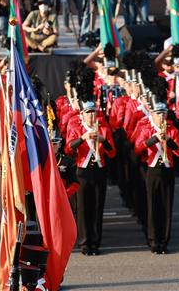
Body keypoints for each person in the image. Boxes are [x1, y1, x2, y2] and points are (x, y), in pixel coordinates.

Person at [65, 100, 115, 256]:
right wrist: (82, 138)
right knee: (83, 208)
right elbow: (68, 148)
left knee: (97, 206)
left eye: (93, 112)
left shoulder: (104, 128)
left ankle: (96, 241)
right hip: (82, 172)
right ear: (82, 114)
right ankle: (85, 242)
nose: (91, 115)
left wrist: (103, 140)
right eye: (88, 112)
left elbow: (112, 152)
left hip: (99, 171)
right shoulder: (75, 127)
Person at [135, 99, 179, 254]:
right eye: (157, 113)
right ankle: (154, 240)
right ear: (152, 115)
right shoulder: (147, 130)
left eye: (162, 113)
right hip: (153, 170)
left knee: (166, 206)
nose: (160, 116)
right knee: (153, 205)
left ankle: (164, 240)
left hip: (167, 170)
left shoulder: (173, 131)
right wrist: (155, 138)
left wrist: (168, 140)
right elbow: (138, 148)